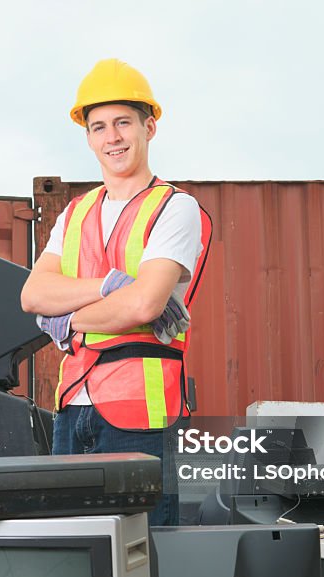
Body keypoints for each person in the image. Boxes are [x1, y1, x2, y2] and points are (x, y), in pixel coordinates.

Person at [20, 58, 212, 526]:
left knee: (144, 556)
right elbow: (33, 295)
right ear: (88, 137)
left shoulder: (174, 209)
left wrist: (65, 320)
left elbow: (145, 303)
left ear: (149, 127)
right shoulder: (73, 214)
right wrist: (107, 287)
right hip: (72, 408)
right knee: (74, 552)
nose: (113, 137)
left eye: (123, 122)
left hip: (142, 413)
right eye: (99, 126)